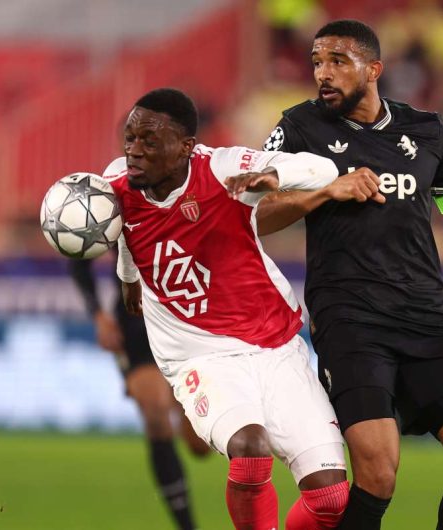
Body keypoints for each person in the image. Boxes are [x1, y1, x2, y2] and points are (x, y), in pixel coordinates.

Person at [258, 19, 443, 530]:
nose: (323, 73)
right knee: (377, 476)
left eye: (337, 62)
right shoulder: (299, 127)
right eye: (317, 62)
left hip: (427, 318)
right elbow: (256, 213)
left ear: (374, 69)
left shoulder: (428, 131)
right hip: (351, 321)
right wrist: (326, 191)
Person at [105, 87, 351, 530]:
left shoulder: (223, 168)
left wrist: (273, 175)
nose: (134, 151)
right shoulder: (117, 185)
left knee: (331, 498)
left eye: (149, 141)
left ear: (186, 147)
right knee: (250, 451)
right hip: (199, 355)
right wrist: (128, 278)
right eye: (130, 138)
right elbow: (124, 230)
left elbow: (325, 168)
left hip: (276, 345)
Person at [69, 255, 210, 530]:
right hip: (136, 319)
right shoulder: (116, 222)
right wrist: (98, 315)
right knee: (155, 415)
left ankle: (182, 403)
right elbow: (79, 260)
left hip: (186, 312)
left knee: (200, 445)